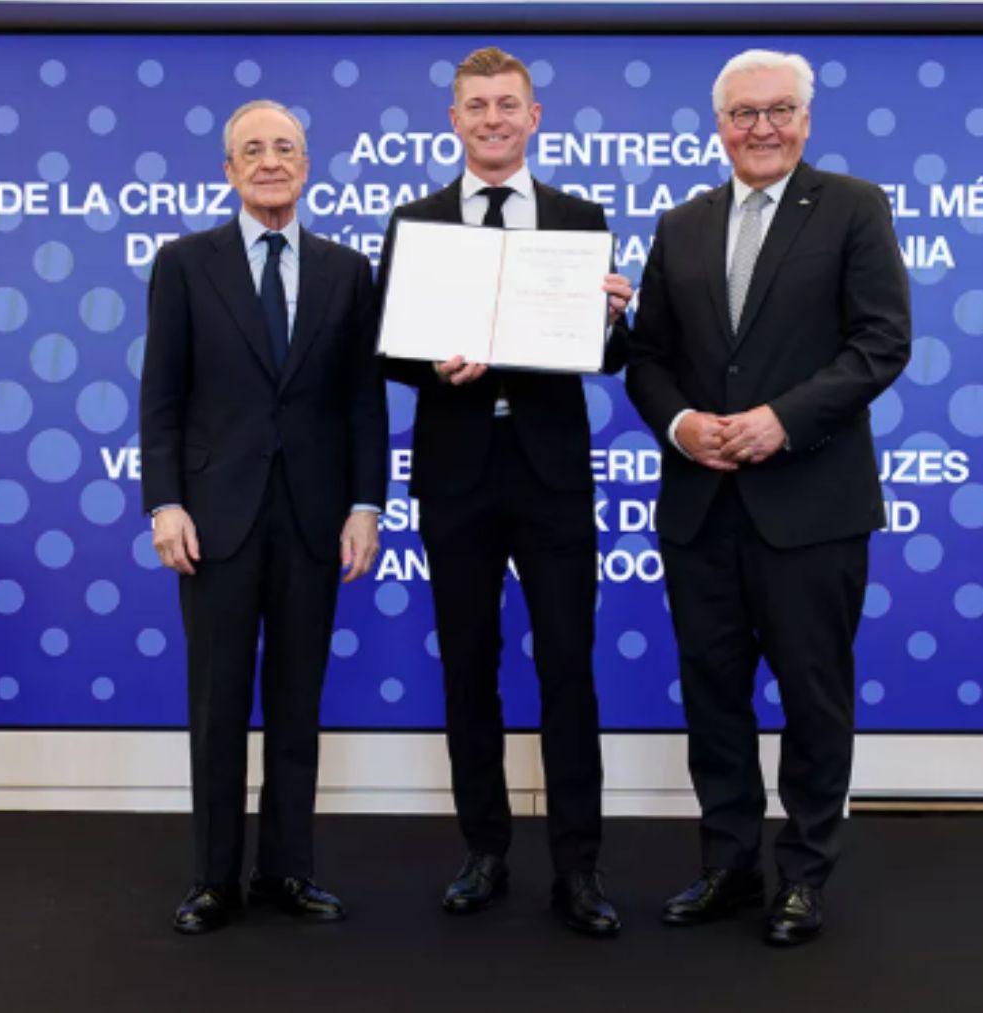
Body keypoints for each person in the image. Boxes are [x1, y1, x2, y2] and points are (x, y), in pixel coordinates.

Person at [625, 49, 911, 945]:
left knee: (815, 699)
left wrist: (781, 421)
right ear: (719, 126)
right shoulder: (680, 224)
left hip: (812, 508)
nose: (761, 128)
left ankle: (805, 876)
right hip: (702, 508)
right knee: (714, 698)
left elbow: (881, 343)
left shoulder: (855, 208)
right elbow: (648, 356)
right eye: (744, 114)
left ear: (807, 119)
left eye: (779, 110)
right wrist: (680, 426)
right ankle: (729, 867)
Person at [376, 46, 634, 938]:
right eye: (476, 104)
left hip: (552, 477)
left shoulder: (578, 216)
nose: (492, 117)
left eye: (508, 104)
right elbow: (390, 347)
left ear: (535, 119)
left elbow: (602, 357)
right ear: (454, 120)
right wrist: (434, 366)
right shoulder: (415, 221)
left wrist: (612, 318)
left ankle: (579, 866)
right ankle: (483, 850)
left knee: (568, 669)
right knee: (469, 668)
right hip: (455, 476)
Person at [140, 98, 388, 935]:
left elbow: (363, 402)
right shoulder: (183, 263)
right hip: (214, 519)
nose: (271, 160)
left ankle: (289, 870)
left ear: (307, 165)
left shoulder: (346, 271)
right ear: (229, 171)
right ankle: (214, 878)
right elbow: (162, 398)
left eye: (285, 147)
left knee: (296, 699)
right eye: (254, 149)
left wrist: (365, 504)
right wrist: (164, 501)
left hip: (316, 518)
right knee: (215, 703)